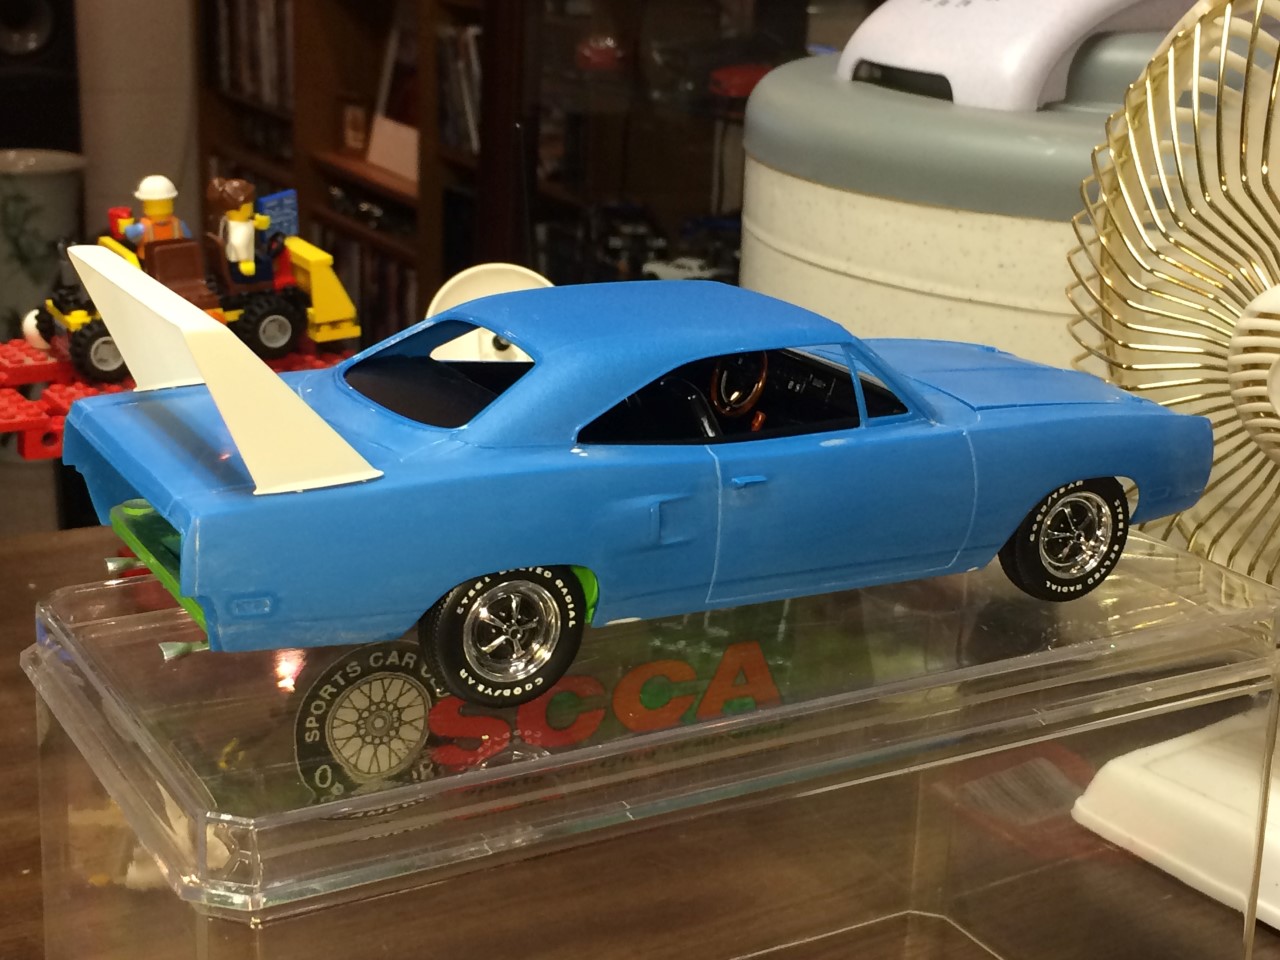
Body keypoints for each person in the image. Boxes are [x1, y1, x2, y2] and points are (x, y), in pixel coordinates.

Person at [206, 177, 271, 278]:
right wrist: (245, 261)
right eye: (249, 205)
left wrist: (258, 222)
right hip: (238, 266)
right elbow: (238, 243)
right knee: (269, 265)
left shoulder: (226, 219)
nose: (251, 207)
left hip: (229, 263)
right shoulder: (240, 229)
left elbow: (250, 223)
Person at [118, 175, 190, 258]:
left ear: (146, 204)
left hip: (148, 263)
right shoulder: (179, 224)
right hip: (172, 261)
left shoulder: (142, 227)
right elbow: (189, 238)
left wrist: (125, 224)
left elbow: (128, 234)